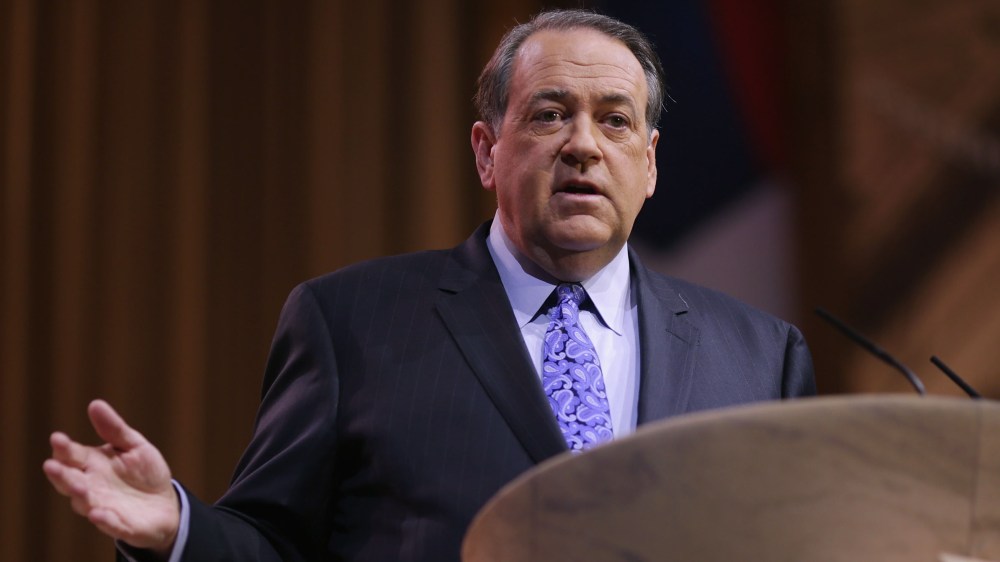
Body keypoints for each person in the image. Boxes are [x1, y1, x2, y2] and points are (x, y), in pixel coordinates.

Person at [43, 9, 815, 561]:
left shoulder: (760, 355)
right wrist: (176, 527)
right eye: (550, 114)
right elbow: (273, 544)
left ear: (649, 163)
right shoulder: (351, 323)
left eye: (614, 121)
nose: (583, 143)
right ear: (487, 152)